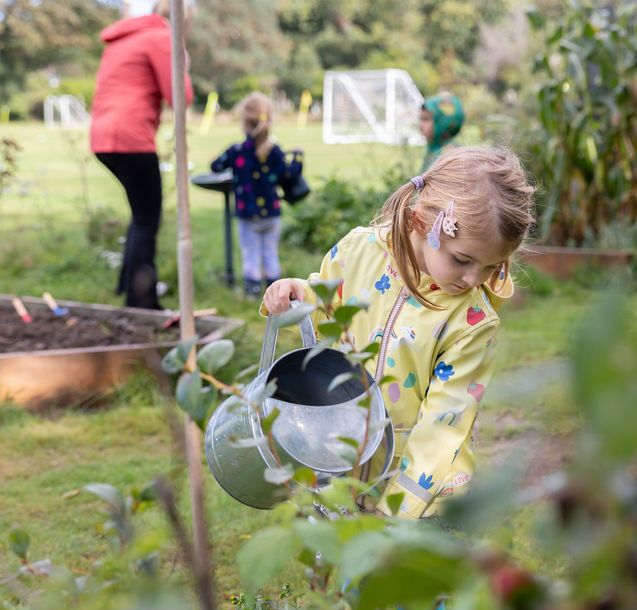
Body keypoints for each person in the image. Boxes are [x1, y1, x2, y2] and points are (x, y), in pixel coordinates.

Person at [263, 146, 535, 520]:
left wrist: (401, 511)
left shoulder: (472, 322)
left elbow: (443, 425)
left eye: (491, 267)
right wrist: (298, 293)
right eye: (462, 260)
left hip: (423, 496)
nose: (475, 279)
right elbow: (328, 296)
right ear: (421, 222)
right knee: (346, 572)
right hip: (350, 459)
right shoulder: (361, 251)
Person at [90, 0, 194, 309]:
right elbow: (180, 96)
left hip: (102, 137)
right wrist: (182, 62)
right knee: (148, 219)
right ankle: (142, 301)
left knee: (140, 216)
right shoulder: (161, 37)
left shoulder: (125, 38)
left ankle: (128, 287)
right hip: (131, 138)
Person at [211, 92, 296, 298]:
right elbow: (288, 174)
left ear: (244, 122)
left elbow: (215, 166)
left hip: (247, 214)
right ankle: (276, 293)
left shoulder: (237, 151)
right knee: (270, 252)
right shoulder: (275, 151)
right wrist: (298, 160)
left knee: (251, 253)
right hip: (271, 214)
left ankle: (252, 292)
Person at [419, 92, 465, 172]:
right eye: (421, 119)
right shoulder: (434, 149)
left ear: (442, 122)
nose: (421, 126)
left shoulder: (450, 156)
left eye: (426, 119)